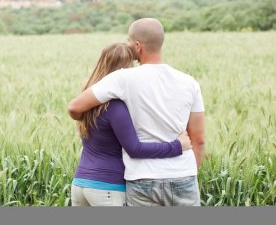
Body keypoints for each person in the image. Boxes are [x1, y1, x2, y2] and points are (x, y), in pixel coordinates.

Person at [68, 18, 205, 206]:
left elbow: (75, 107)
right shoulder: (190, 83)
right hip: (183, 175)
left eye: (129, 42)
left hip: (141, 178)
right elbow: (198, 140)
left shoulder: (122, 78)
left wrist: (86, 117)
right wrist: (189, 172)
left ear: (138, 46)